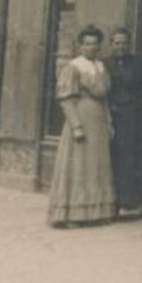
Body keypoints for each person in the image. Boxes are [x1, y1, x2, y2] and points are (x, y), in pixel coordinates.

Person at [46, 25, 116, 227]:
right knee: (78, 166)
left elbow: (104, 100)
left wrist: (109, 122)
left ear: (99, 45)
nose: (91, 47)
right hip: (81, 117)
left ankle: (95, 212)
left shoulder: (101, 67)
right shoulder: (74, 66)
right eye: (86, 43)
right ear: (80, 45)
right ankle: (72, 214)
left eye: (94, 43)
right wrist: (76, 125)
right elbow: (66, 99)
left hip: (98, 121)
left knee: (96, 166)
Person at [104, 27, 142, 218]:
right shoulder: (103, 64)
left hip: (141, 119)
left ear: (129, 44)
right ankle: (118, 204)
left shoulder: (140, 63)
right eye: (117, 43)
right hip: (116, 118)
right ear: (111, 44)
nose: (121, 46)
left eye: (124, 43)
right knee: (120, 160)